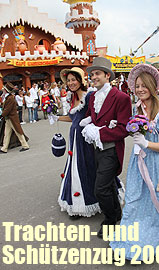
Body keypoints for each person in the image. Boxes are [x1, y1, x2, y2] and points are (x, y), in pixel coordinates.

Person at [110, 64, 159, 261]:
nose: (140, 89)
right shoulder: (138, 108)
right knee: (134, 198)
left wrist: (146, 142)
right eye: (137, 86)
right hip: (137, 162)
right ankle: (134, 236)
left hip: (156, 165)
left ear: (152, 87)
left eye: (144, 86)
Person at [81, 57, 132, 237]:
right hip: (97, 148)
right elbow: (91, 115)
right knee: (108, 184)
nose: (93, 77)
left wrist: (99, 133)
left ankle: (110, 220)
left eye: (97, 74)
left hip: (111, 149)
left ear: (107, 75)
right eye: (92, 74)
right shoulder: (93, 96)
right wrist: (87, 122)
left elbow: (124, 128)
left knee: (100, 189)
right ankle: (116, 212)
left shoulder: (121, 97)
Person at [56, 67, 101, 219]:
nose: (71, 83)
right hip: (74, 139)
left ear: (80, 80)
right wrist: (57, 118)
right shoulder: (72, 97)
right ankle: (77, 203)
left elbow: (97, 116)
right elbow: (72, 117)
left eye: (73, 79)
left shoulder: (90, 96)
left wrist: (90, 124)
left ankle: (91, 201)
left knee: (87, 167)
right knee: (74, 168)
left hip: (85, 138)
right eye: (68, 80)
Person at [0, 82, 29, 153]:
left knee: (18, 132)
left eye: (4, 89)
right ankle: (4, 148)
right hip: (9, 118)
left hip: (12, 118)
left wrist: (1, 115)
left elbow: (7, 110)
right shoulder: (8, 97)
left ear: (6, 90)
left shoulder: (10, 98)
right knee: (6, 133)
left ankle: (25, 145)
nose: (3, 90)